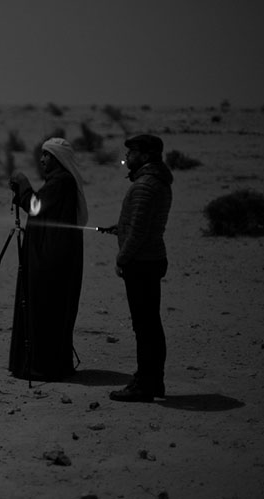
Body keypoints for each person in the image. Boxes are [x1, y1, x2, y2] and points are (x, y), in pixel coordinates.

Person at [7, 137, 88, 381]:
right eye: (41, 155)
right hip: (53, 255)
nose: (41, 160)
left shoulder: (61, 182)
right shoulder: (59, 182)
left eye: (46, 156)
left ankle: (41, 366)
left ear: (58, 159)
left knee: (44, 307)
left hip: (50, 259)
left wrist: (22, 184)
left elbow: (35, 207)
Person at [105, 134, 173, 402]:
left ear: (145, 155)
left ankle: (145, 384)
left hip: (142, 263)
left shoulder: (145, 185)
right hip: (150, 259)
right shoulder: (156, 181)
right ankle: (152, 381)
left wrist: (123, 258)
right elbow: (139, 223)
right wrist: (120, 229)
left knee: (145, 326)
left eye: (132, 152)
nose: (128, 156)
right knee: (149, 324)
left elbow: (140, 231)